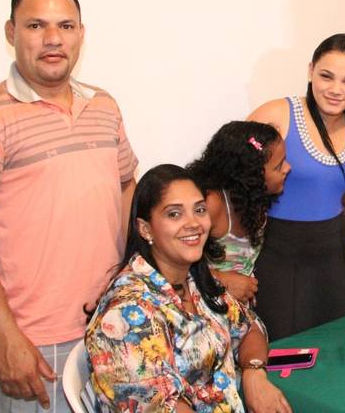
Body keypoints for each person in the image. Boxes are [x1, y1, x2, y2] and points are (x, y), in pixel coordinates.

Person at [0, 0, 138, 411]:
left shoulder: (103, 106)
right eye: (35, 25)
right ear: (11, 33)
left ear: (81, 34)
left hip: (112, 323)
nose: (53, 39)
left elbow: (126, 187)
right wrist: (5, 338)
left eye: (65, 26)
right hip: (35, 343)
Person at [85, 164, 291, 413]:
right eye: (174, 214)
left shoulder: (196, 281)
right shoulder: (127, 312)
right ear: (145, 229)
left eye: (200, 210)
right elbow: (162, 406)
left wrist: (254, 373)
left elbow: (249, 328)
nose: (193, 223)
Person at [248, 33, 345, 340]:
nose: (335, 90)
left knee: (338, 346)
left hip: (334, 257)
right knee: (283, 352)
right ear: (310, 71)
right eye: (326, 76)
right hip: (276, 257)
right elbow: (234, 183)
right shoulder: (277, 114)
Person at [187, 121, 290, 303]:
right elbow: (171, 262)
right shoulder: (212, 204)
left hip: (238, 308)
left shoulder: (253, 199)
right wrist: (220, 279)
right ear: (251, 176)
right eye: (278, 166)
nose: (288, 168)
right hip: (206, 305)